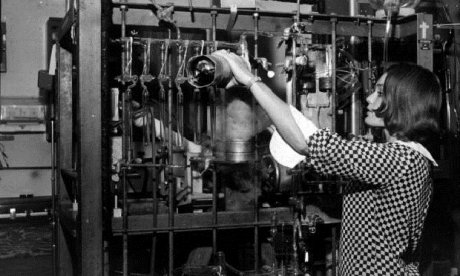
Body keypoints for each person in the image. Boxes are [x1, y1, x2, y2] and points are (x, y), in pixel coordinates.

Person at [212, 50, 442, 275]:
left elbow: (307, 142)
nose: (369, 99)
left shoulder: (398, 159)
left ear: (403, 103)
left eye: (381, 93)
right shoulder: (411, 157)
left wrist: (251, 81)